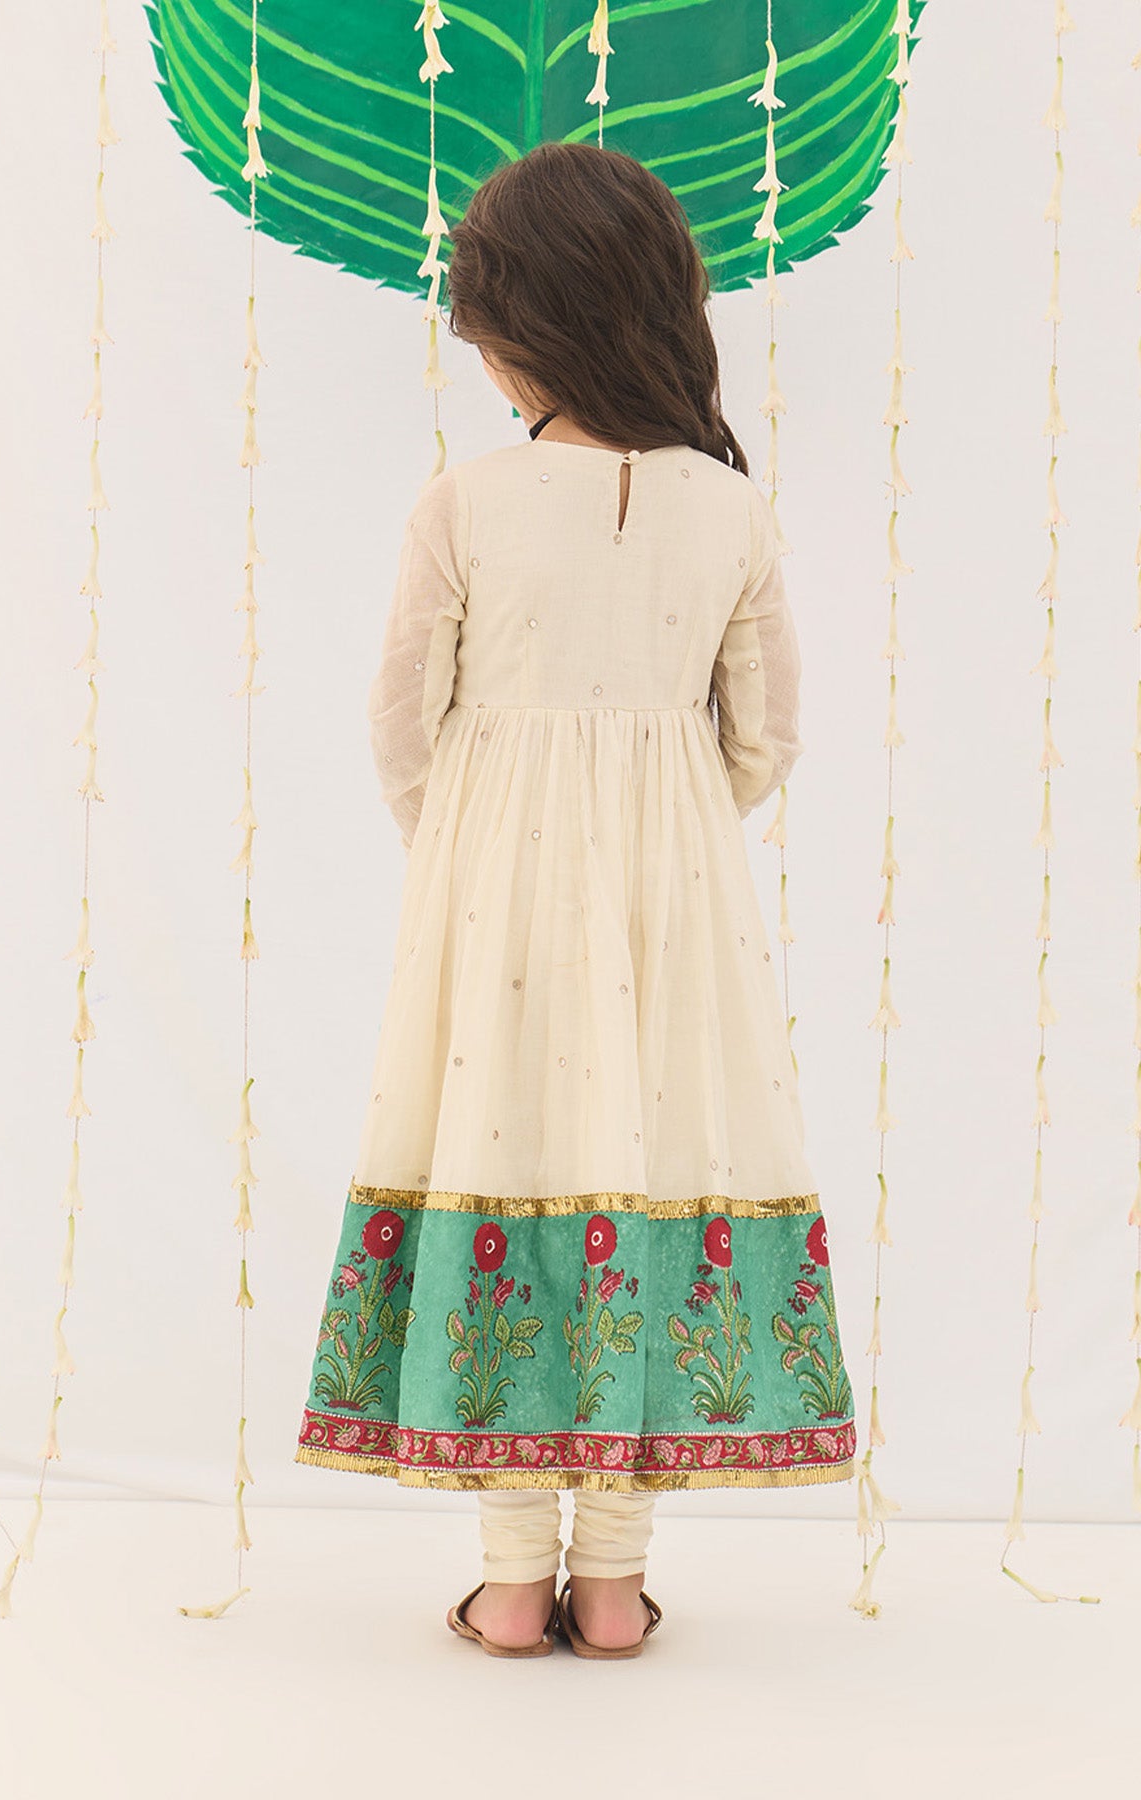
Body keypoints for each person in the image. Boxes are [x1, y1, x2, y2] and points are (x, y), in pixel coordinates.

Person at [295, 140, 856, 1659]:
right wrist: (663, 828)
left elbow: (402, 724)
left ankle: (507, 1580)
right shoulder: (730, 512)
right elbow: (767, 738)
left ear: (519, 329)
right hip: (675, 903)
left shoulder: (464, 503)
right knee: (643, 1159)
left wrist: (475, 842)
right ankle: (612, 1582)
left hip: (486, 897)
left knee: (503, 1152)